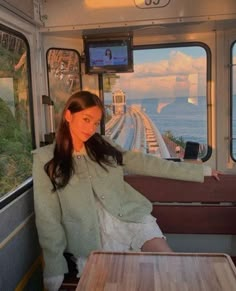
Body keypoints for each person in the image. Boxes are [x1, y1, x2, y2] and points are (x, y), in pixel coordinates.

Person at [32, 90, 220, 291]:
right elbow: (47, 217)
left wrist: (200, 171)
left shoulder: (103, 145)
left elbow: (145, 163)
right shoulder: (45, 159)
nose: (91, 128)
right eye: (86, 119)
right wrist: (54, 267)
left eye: (95, 123)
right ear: (68, 116)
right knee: (118, 281)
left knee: (168, 262)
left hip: (129, 217)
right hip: (89, 234)